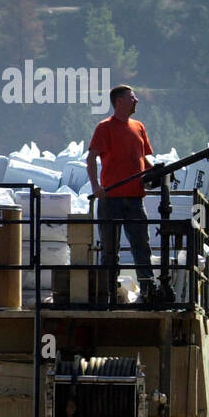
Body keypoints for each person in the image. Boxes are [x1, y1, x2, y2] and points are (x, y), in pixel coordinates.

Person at [87, 85, 157, 303]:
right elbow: (91, 158)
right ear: (119, 101)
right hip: (111, 199)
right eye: (132, 97)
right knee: (109, 249)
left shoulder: (139, 127)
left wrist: (155, 171)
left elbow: (142, 159)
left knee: (141, 246)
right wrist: (96, 187)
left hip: (135, 198)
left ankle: (148, 290)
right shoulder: (105, 127)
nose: (136, 101)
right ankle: (107, 294)